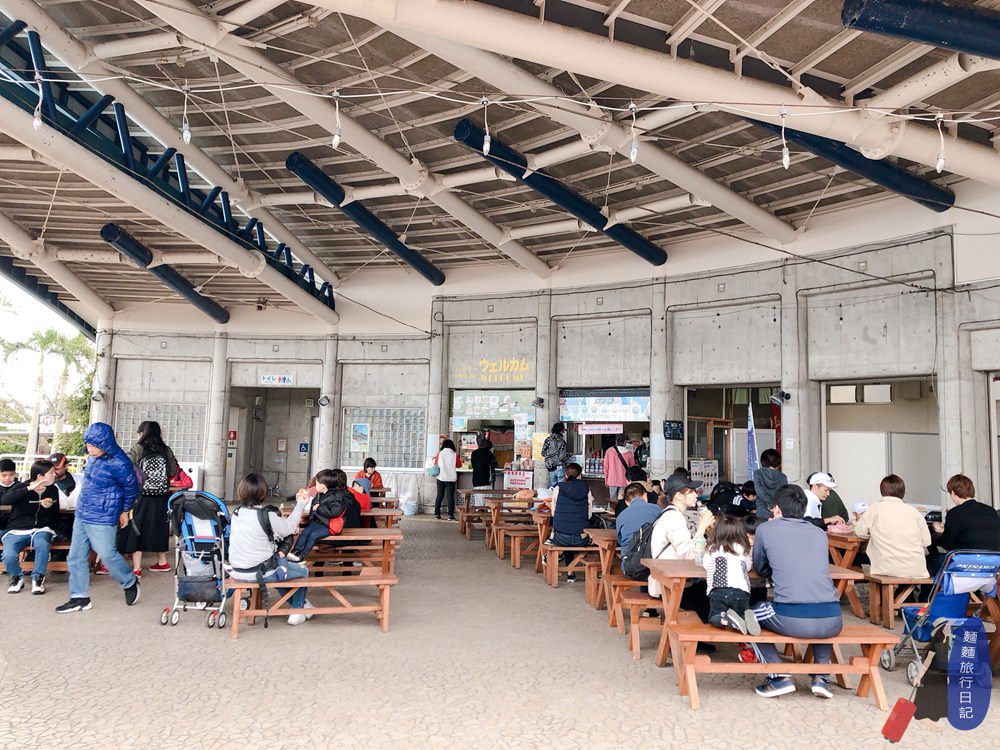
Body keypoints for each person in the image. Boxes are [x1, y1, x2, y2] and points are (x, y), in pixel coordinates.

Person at [749, 485, 842, 699]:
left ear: (778, 508)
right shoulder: (819, 534)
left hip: (791, 618)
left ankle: (778, 676)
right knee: (819, 609)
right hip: (833, 618)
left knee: (748, 616)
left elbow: (760, 568)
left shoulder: (765, 529)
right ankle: (821, 678)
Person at [56, 422, 140, 614]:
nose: (91, 449)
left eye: (95, 445)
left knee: (107, 554)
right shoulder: (93, 458)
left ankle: (129, 581)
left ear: (106, 444)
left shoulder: (120, 462)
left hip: (103, 514)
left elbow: (131, 488)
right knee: (76, 556)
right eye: (89, 444)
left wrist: (125, 510)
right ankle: (79, 597)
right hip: (83, 512)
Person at [229, 473, 313, 625]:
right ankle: (297, 611)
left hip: (237, 571)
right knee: (301, 571)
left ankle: (303, 605)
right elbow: (289, 528)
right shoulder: (266, 515)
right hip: (260, 572)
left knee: (282, 570)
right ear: (263, 492)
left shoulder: (236, 513)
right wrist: (301, 504)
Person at [646, 473, 715, 621]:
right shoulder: (673, 518)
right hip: (670, 585)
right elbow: (688, 553)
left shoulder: (671, 514)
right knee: (712, 596)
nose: (696, 494)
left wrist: (702, 530)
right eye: (691, 491)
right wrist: (701, 528)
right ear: (678, 495)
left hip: (671, 580)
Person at [122, 421, 179, 575]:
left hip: (141, 495)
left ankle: (137, 568)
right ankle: (162, 562)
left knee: (138, 527)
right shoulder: (166, 449)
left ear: (143, 433)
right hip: (161, 495)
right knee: (159, 527)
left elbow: (127, 467)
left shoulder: (138, 448)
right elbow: (173, 471)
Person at [853, 474, 931, 578]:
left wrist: (874, 534)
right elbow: (927, 541)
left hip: (886, 568)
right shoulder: (914, 512)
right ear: (903, 492)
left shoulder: (875, 509)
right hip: (916, 570)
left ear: (882, 491)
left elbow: (860, 532)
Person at [3, 459, 60, 595]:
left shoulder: (52, 490)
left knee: (42, 544)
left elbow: (55, 514)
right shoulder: (21, 486)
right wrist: (30, 488)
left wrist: (49, 506)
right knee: (8, 555)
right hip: (17, 529)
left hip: (41, 528)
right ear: (40, 476)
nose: (54, 475)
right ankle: (17, 578)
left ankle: (38, 578)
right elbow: (5, 499)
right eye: (51, 473)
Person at [928, 474, 1000, 575]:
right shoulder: (991, 511)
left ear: (953, 492)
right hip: (993, 563)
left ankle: (933, 586)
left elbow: (948, 544)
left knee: (931, 560)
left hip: (967, 563)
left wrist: (936, 537)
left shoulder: (955, 513)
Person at [704, 514, 759, 635]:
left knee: (714, 615)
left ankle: (725, 619)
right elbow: (748, 567)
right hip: (742, 590)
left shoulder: (712, 548)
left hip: (719, 589)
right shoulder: (743, 549)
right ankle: (747, 615)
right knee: (742, 611)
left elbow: (706, 565)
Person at [287, 469, 351, 563]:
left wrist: (319, 508)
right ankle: (295, 551)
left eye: (316, 484)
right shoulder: (319, 494)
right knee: (306, 531)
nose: (315, 486)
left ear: (323, 486)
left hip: (330, 525)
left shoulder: (338, 496)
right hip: (320, 522)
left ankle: (302, 556)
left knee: (313, 535)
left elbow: (334, 512)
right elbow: (313, 509)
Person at [546, 462, 594, 582]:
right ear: (579, 475)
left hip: (560, 538)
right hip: (581, 539)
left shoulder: (558, 488)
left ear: (566, 474)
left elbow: (554, 513)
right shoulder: (586, 489)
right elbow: (589, 515)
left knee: (565, 531)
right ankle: (570, 572)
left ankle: (567, 568)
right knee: (575, 530)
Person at [615, 481, 661, 548]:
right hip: (653, 552)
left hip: (628, 553)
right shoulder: (657, 509)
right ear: (645, 495)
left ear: (626, 502)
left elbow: (620, 540)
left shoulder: (620, 516)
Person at [753, 449, 787, 520]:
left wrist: (770, 505)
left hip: (762, 508)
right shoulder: (783, 477)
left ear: (763, 461)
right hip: (777, 509)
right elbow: (783, 494)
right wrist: (775, 506)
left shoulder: (758, 473)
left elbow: (760, 491)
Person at [603, 434, 635, 503]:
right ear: (625, 442)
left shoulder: (609, 451)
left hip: (612, 480)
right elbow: (632, 468)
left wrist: (606, 479)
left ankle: (613, 510)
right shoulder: (629, 453)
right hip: (624, 481)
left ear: (616, 441)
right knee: (622, 501)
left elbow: (606, 467)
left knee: (613, 501)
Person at [433, 438, 458, 520]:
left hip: (441, 477)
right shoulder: (454, 454)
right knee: (450, 497)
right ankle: (450, 515)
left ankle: (437, 514)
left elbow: (435, 463)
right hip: (451, 479)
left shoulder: (439, 453)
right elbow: (459, 465)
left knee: (439, 496)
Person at [470, 436, 497, 507]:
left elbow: (473, 465)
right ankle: (486, 513)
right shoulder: (489, 453)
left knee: (479, 504)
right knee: (488, 504)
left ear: (477, 443)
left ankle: (479, 513)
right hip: (487, 481)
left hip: (476, 481)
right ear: (485, 443)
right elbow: (493, 467)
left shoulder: (474, 453)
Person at [541, 422, 570, 487]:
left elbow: (543, 453)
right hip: (560, 467)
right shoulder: (562, 441)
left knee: (553, 487)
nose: (564, 431)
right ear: (561, 430)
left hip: (550, 467)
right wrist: (569, 455)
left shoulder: (548, 440)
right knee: (561, 487)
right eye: (563, 429)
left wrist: (551, 456)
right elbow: (562, 457)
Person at [0, 458, 17, 529]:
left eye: (11, 475)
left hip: (15, 525)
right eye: (4, 475)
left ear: (15, 474)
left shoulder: (21, 487)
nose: (7, 478)